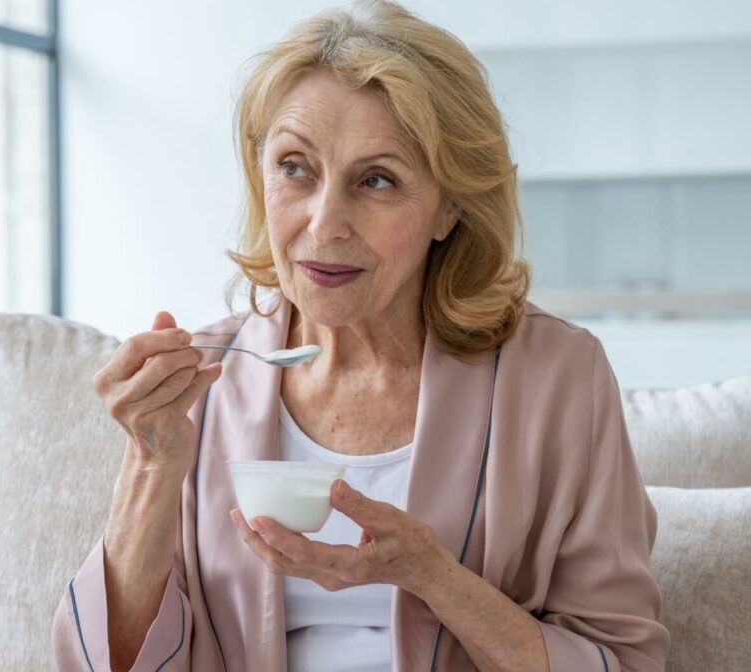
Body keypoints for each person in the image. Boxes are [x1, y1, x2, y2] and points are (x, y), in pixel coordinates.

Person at [52, 1, 670, 670]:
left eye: (377, 180)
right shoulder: (205, 381)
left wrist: (433, 576)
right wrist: (150, 464)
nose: (324, 224)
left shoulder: (556, 377)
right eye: (295, 168)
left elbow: (621, 659)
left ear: (450, 206)